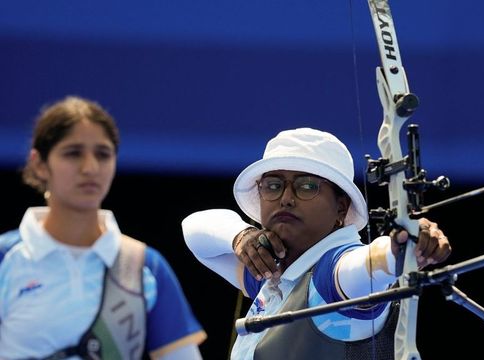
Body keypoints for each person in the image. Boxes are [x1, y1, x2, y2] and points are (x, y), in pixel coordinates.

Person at [182, 127, 451, 359]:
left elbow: (366, 265)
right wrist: (241, 236)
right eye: (273, 185)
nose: (286, 198)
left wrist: (401, 248)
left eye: (307, 186)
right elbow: (193, 230)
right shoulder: (273, 272)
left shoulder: (332, 275)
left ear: (341, 209)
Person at [0, 96, 206, 359]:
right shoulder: (5, 258)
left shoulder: (146, 266)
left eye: (103, 154)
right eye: (73, 153)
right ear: (40, 164)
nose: (90, 167)